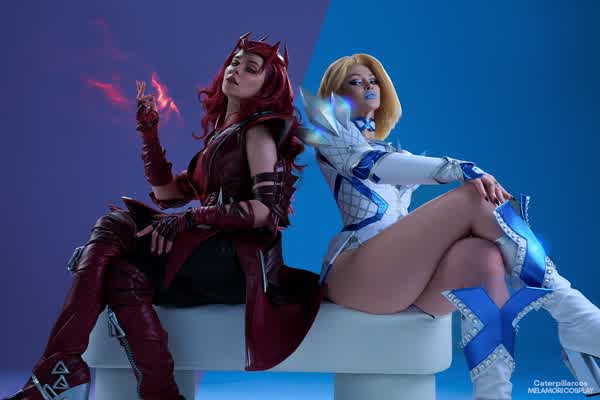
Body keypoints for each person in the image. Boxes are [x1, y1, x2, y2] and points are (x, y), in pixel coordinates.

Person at [5, 33, 322, 400]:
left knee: (113, 225)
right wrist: (149, 134)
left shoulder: (259, 132)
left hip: (239, 263)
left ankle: (60, 372)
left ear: (268, 87)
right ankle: (160, 394)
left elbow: (265, 211)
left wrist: (189, 219)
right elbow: (168, 194)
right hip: (212, 250)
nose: (236, 69)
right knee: (123, 275)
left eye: (251, 68)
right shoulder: (223, 137)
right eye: (234, 62)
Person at [298, 53, 600, 399]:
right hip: (357, 273)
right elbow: (370, 164)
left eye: (373, 80)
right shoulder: (333, 138)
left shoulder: (392, 149)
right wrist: (460, 168)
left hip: (402, 277)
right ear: (336, 95)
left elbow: (391, 163)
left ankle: (494, 394)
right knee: (473, 196)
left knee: (482, 256)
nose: (368, 86)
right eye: (355, 81)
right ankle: (575, 317)